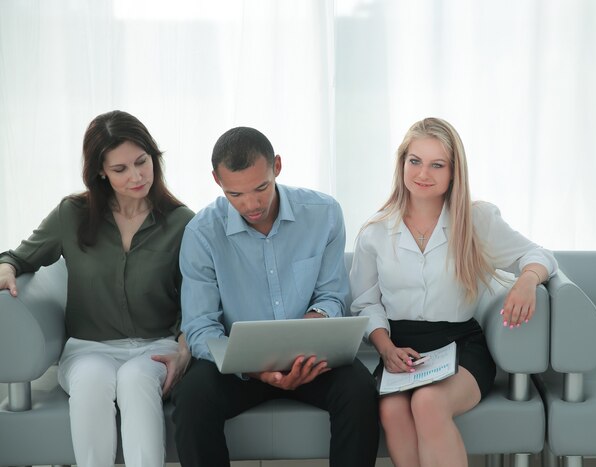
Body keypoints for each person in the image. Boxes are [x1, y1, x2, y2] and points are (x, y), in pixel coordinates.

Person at [349, 117, 557, 467]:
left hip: (460, 345)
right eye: (414, 161)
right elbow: (366, 302)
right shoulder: (375, 232)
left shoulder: (477, 219)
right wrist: (386, 348)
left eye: (437, 164)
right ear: (402, 164)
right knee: (391, 408)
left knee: (428, 402)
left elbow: (539, 256)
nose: (423, 173)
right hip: (399, 348)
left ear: (453, 172)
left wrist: (526, 281)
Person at [171, 126, 380, 467]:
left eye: (261, 188)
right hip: (239, 370)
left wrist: (312, 328)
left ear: (277, 167)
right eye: (235, 194)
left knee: (358, 390)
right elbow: (201, 328)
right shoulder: (201, 233)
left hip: (311, 358)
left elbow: (331, 295)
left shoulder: (324, 213)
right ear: (216, 180)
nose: (251, 205)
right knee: (193, 399)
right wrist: (255, 369)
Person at [0, 110, 195, 467]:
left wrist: (183, 352)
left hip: (156, 347)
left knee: (136, 382)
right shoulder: (72, 214)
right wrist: (6, 268)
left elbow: (197, 301)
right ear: (100, 171)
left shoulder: (182, 222)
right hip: (88, 348)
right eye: (120, 169)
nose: (137, 176)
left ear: (155, 157)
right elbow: (19, 256)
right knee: (91, 381)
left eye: (142, 162)